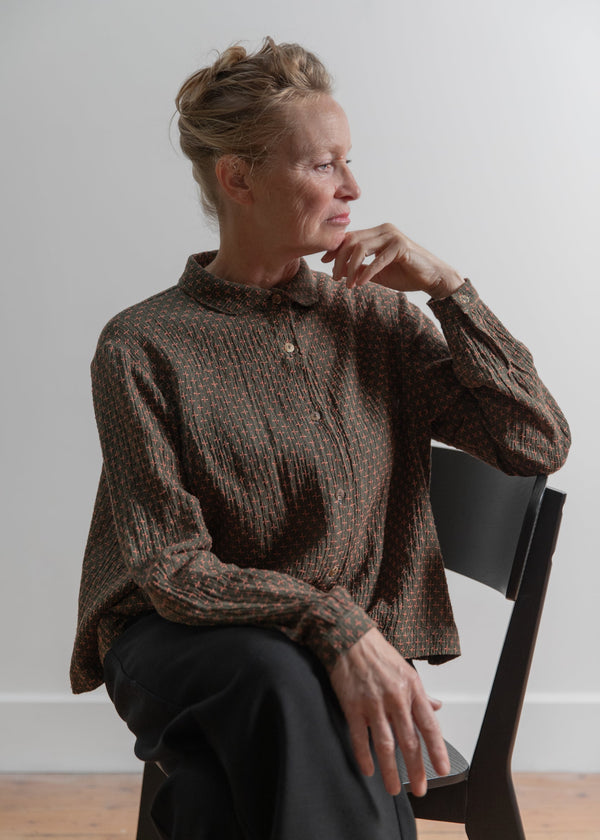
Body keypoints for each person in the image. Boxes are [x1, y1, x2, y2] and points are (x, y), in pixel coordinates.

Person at [70, 37, 570, 840]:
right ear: (238, 177)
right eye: (323, 164)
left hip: (326, 657)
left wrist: (451, 291)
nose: (353, 187)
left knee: (236, 768)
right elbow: (169, 568)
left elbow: (536, 440)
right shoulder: (142, 345)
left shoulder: (374, 323)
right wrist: (335, 623)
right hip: (179, 639)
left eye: (349, 160)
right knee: (279, 679)